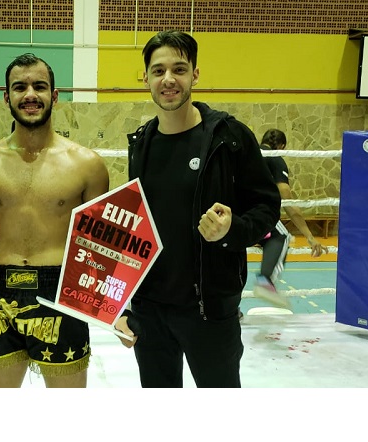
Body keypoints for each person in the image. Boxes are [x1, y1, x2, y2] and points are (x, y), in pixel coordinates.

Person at [114, 30, 281, 388]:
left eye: (179, 69)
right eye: (158, 71)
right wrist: (123, 305)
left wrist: (231, 230)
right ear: (145, 78)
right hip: (151, 311)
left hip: (209, 311)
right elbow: (136, 229)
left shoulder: (228, 138)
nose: (168, 79)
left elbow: (267, 207)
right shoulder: (140, 144)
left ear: (195, 74)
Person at [0, 53, 110, 388]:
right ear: (6, 96)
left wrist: (114, 308)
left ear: (54, 96)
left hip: (61, 291)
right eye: (20, 87)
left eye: (39, 86)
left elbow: (101, 251)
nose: (30, 94)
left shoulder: (88, 165)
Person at [253, 128, 328, 309]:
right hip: (255, 214)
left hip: (229, 215)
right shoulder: (275, 157)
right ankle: (265, 281)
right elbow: (287, 198)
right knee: (281, 235)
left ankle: (231, 308)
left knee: (233, 248)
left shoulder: (250, 153)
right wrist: (309, 237)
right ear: (282, 146)